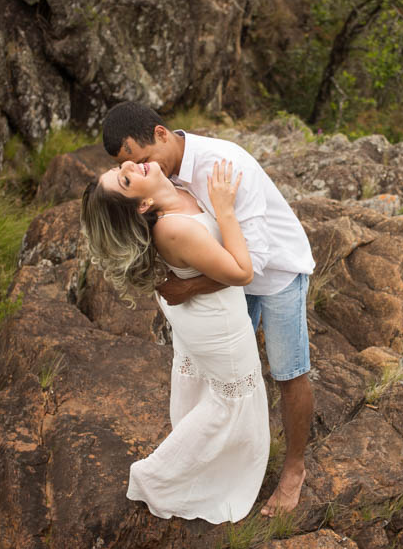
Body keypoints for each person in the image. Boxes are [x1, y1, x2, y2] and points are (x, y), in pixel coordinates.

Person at [101, 101, 315, 516]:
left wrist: (191, 285)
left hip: (276, 272)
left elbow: (254, 260)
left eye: (143, 160)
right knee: (224, 374)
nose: (143, 169)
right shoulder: (160, 176)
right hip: (231, 276)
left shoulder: (223, 165)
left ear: (162, 134)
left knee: (289, 372)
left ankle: (293, 470)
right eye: (130, 168)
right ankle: (219, 462)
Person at [81, 157, 269, 523]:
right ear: (142, 205)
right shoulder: (171, 230)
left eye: (124, 166)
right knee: (229, 401)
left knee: (215, 389)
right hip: (217, 325)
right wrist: (224, 210)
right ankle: (155, 478)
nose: (132, 165)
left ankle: (212, 466)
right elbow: (242, 272)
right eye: (126, 179)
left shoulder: (179, 190)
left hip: (202, 313)